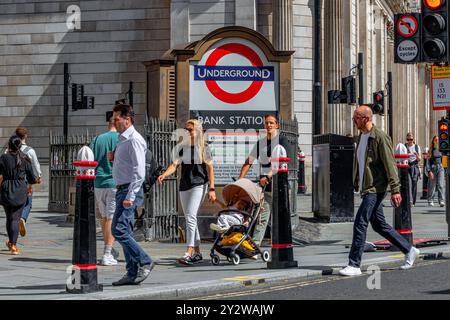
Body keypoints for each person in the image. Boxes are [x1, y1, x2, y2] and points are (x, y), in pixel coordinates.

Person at [339, 106, 420, 277]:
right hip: (367, 187)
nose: (354, 121)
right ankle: (410, 249)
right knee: (379, 225)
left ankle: (354, 264)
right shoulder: (362, 137)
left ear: (366, 119)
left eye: (356, 117)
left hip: (376, 188)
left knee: (360, 222)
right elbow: (360, 162)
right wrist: (356, 181)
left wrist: (396, 190)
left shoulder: (380, 137)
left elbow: (390, 164)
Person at [157, 119, 216, 265]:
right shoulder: (182, 147)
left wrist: (212, 189)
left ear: (198, 131)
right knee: (192, 217)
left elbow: (210, 169)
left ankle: (188, 251)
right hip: (184, 185)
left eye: (190, 129)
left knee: (190, 217)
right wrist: (165, 174)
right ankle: (197, 252)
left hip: (199, 185)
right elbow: (175, 164)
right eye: (186, 129)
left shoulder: (204, 147)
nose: (187, 131)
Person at [110, 104, 154, 286]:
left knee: (118, 230)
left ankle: (145, 261)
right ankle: (131, 272)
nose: (114, 121)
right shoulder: (123, 139)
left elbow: (139, 171)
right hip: (122, 189)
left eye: (117, 118)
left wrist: (130, 195)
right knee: (124, 230)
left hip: (130, 191)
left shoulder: (134, 139)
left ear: (127, 120)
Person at [238, 114, 292, 248]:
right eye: (267, 123)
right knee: (262, 217)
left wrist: (268, 176)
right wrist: (240, 179)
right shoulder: (260, 143)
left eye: (271, 123)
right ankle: (255, 246)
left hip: (280, 186)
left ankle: (281, 244)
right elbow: (248, 162)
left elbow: (281, 163)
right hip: (266, 188)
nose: (269, 125)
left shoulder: (282, 141)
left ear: (277, 125)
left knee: (281, 218)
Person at [89, 117, 120, 266]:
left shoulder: (97, 139)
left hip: (98, 182)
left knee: (104, 217)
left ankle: (109, 248)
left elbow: (90, 159)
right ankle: (107, 253)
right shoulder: (121, 138)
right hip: (113, 182)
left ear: (108, 124)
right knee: (111, 218)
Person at [0, 136, 37, 255]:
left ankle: (11, 243)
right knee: (15, 218)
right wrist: (31, 184)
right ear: (20, 146)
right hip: (20, 190)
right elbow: (31, 177)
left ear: (9, 145)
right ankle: (13, 244)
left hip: (6, 189)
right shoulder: (24, 158)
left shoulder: (3, 158)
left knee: (9, 217)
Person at [15, 127, 42, 238]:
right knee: (28, 203)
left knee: (15, 203)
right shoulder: (30, 150)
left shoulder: (9, 150)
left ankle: (15, 222)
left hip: (12, 181)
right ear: (26, 136)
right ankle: (23, 218)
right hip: (26, 181)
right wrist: (39, 176)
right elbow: (35, 164)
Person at [426, 136, 445, 207]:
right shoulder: (430, 150)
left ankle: (441, 200)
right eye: (435, 140)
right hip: (433, 168)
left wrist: (445, 169)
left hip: (440, 167)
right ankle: (430, 200)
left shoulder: (442, 149)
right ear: (433, 141)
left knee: (441, 185)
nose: (437, 141)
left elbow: (444, 159)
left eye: (438, 140)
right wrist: (429, 171)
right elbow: (427, 162)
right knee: (432, 185)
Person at [405, 133, 422, 206]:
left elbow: (419, 159)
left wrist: (416, 155)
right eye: (408, 139)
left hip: (414, 166)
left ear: (413, 139)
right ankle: (410, 200)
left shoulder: (417, 147)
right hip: (406, 165)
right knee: (408, 183)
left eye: (411, 139)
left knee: (414, 183)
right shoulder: (404, 146)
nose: (409, 141)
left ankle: (413, 201)